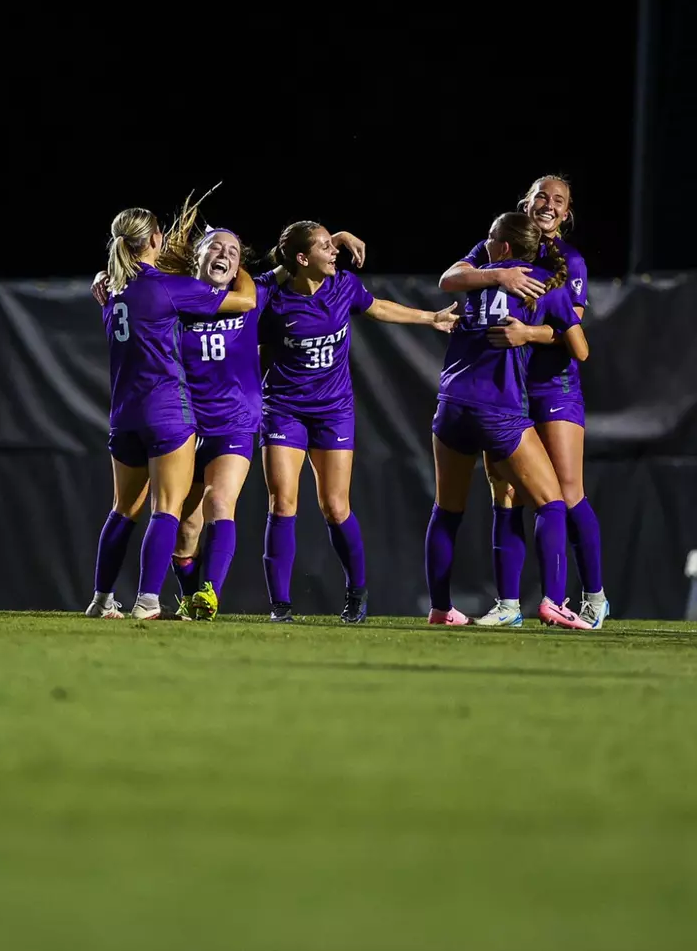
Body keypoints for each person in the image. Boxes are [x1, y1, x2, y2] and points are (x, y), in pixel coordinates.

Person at [89, 223, 368, 620]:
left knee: (220, 501)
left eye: (234, 251)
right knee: (184, 530)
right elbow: (131, 289)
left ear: (240, 266)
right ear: (197, 257)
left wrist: (335, 241)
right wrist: (102, 278)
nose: (224, 255)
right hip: (184, 424)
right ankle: (188, 599)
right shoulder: (177, 295)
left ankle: (208, 594)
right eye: (215, 248)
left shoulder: (255, 290)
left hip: (234, 423)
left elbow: (294, 259)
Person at [257, 221, 459, 624]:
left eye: (333, 245)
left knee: (335, 506)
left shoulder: (343, 285)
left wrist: (430, 317)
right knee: (283, 502)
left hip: (333, 409)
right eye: (324, 247)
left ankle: (356, 593)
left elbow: (379, 306)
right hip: (283, 408)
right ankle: (280, 606)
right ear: (301, 259)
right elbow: (247, 289)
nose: (335, 251)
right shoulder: (271, 296)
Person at [439, 175, 608, 628]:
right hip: (504, 390)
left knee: (567, 494)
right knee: (507, 494)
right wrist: (497, 274)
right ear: (526, 202)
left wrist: (526, 334)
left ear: (567, 213)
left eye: (558, 200)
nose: (548, 205)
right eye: (541, 197)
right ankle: (510, 605)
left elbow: (573, 332)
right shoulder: (496, 247)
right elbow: (452, 278)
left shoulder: (569, 262)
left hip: (552, 386)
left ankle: (593, 595)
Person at [85, 207, 257, 621]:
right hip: (167, 413)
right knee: (167, 508)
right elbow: (246, 300)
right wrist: (243, 267)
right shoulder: (169, 288)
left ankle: (101, 600)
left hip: (123, 417)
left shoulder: (111, 291)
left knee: (122, 509)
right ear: (157, 241)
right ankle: (147, 601)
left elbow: (116, 281)